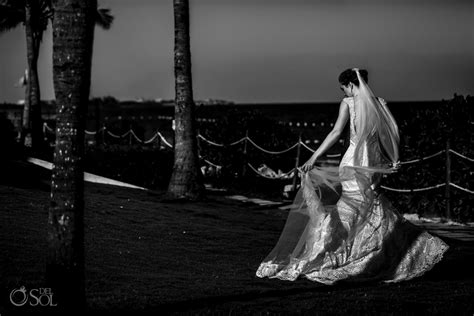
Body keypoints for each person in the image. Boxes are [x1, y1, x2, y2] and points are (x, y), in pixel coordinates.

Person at [256, 68, 449, 284]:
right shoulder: (380, 103)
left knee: (353, 209)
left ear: (350, 85)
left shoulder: (348, 103)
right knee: (367, 207)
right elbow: (393, 131)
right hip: (372, 164)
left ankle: (347, 251)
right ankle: (365, 252)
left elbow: (336, 132)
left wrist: (314, 157)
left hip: (351, 163)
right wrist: (394, 160)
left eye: (343, 88)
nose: (344, 93)